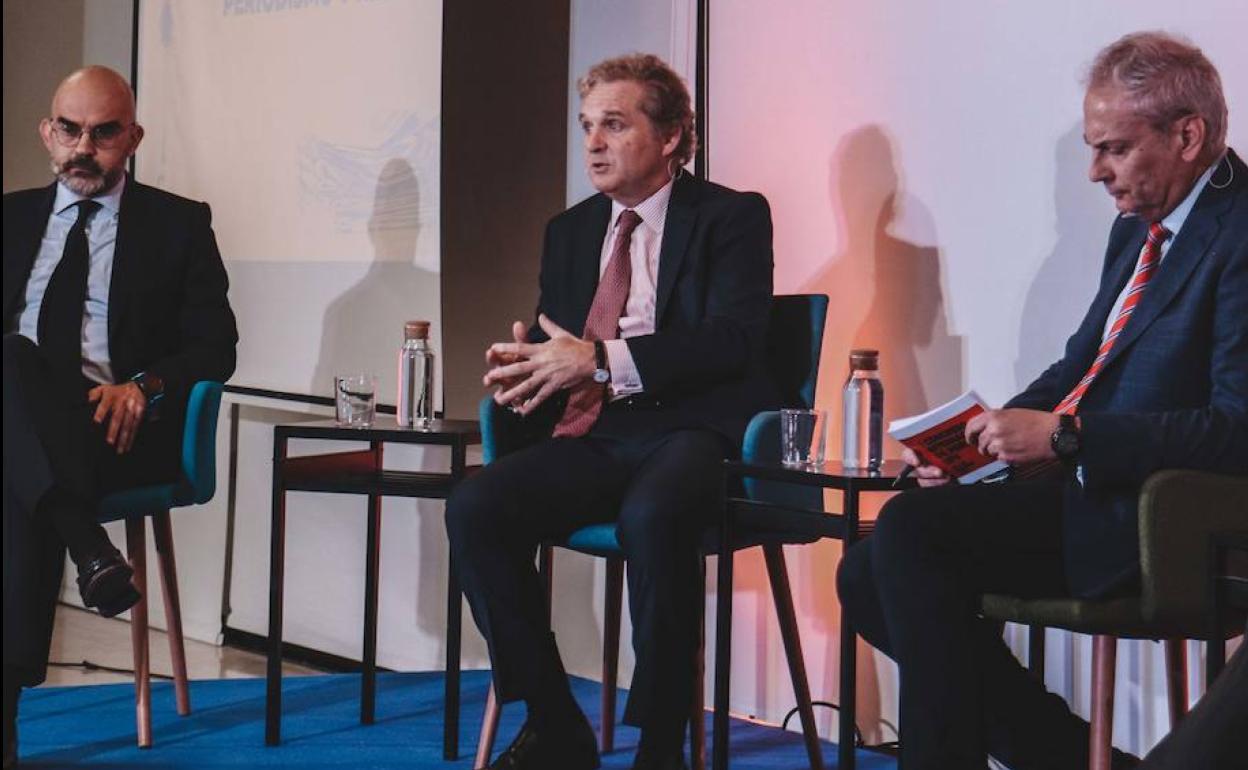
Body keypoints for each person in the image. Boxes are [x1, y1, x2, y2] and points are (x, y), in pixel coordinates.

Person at [836, 31, 1247, 770]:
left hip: (1157, 519)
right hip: (1088, 498)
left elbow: (1235, 429)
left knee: (909, 536)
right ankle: (1066, 757)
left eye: (1114, 148)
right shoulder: (1138, 232)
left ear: (1188, 135)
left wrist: (1066, 438)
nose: (1095, 172)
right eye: (1094, 150)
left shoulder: (1243, 231)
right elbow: (1077, 367)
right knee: (863, 574)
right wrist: (973, 441)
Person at [445, 54, 774, 770]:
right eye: (587, 126)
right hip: (598, 435)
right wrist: (524, 373)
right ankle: (557, 723)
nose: (592, 143)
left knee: (653, 518)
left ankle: (661, 744)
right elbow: (562, 352)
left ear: (671, 137)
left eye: (615, 125)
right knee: (475, 506)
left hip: (693, 430)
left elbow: (735, 341)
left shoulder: (731, 217)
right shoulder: (568, 231)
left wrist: (600, 359)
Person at [2, 66, 238, 768]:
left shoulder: (178, 223)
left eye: (104, 133)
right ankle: (89, 547)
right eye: (70, 129)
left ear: (133, 137)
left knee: (14, 467)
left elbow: (217, 345)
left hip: (116, 427)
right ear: (48, 132)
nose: (84, 147)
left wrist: (144, 384)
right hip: (22, 423)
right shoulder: (9, 218)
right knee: (13, 363)